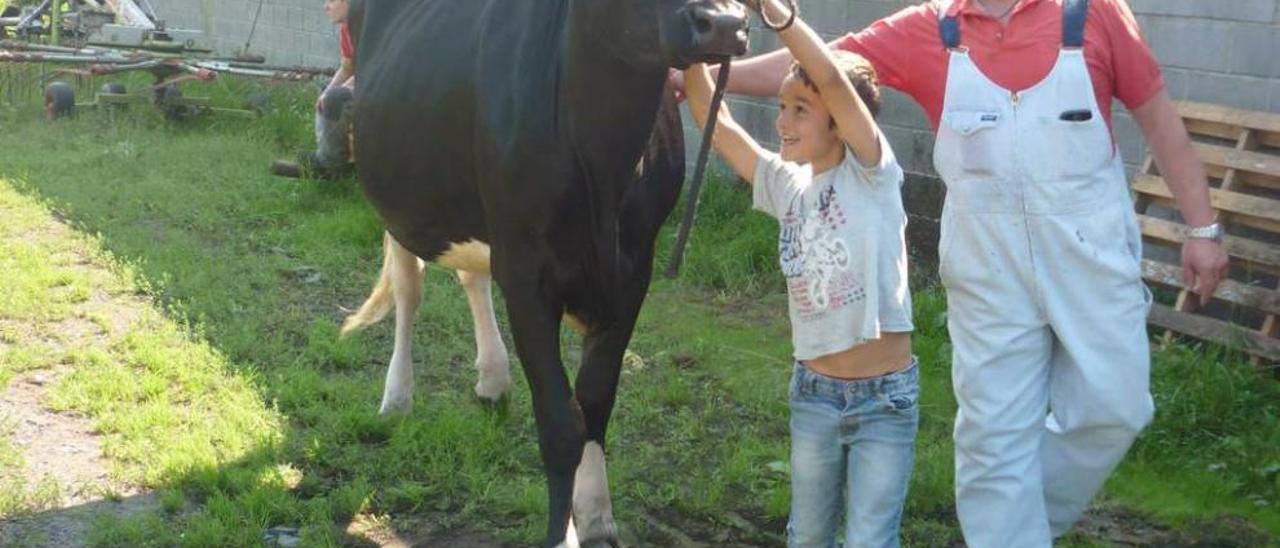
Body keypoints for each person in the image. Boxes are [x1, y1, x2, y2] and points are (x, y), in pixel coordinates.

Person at [690, 0, 1231, 546]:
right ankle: (1005, 526)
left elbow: (1161, 123)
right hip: (986, 267)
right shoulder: (931, 27)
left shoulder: (1095, 14)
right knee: (993, 440)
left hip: (1090, 255)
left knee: (1117, 406)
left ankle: (1020, 514)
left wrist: (1202, 228)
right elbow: (819, 65)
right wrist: (699, 77)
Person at [684, 0, 919, 545]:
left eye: (799, 110)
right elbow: (715, 124)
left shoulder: (873, 176)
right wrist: (691, 45)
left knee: (868, 540)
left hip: (885, 401)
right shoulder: (786, 186)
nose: (781, 121)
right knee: (807, 538)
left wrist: (781, 19)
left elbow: (834, 81)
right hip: (813, 395)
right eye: (783, 106)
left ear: (841, 123)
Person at [271, 0, 356, 179]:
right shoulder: (346, 29)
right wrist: (327, 92)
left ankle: (331, 167)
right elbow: (348, 68)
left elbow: (371, 69)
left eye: (332, 1)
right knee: (327, 92)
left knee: (336, 97)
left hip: (386, 89)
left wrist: (337, 92)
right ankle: (325, 156)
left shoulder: (366, 28)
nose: (326, 7)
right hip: (365, 83)